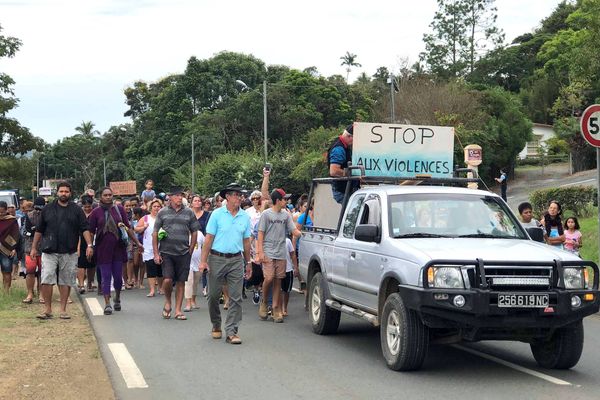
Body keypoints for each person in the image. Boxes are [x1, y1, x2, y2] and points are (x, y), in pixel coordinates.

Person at [30, 181, 94, 320]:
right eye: (61, 191)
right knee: (46, 279)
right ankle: (47, 309)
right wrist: (34, 247)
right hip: (49, 250)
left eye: (66, 191)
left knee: (65, 281)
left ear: (70, 193)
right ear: (57, 192)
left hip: (69, 251)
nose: (63, 194)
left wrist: (89, 245)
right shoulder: (47, 209)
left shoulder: (76, 210)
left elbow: (84, 228)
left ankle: (63, 310)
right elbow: (39, 230)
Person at [200, 183, 252, 344]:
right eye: (236, 194)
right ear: (227, 197)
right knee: (213, 295)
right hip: (216, 258)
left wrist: (248, 262)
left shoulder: (245, 216)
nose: (239, 197)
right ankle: (216, 324)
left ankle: (232, 331)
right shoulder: (216, 214)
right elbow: (208, 239)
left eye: (240, 195)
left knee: (236, 297)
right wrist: (203, 260)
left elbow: (246, 241)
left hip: (236, 259)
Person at [88, 187, 143, 315]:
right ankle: (107, 304)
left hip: (118, 249)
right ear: (100, 196)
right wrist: (90, 246)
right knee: (106, 277)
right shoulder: (96, 213)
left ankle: (117, 297)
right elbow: (91, 231)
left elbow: (128, 228)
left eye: (110, 195)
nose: (108, 197)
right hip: (103, 249)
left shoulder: (119, 210)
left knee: (118, 278)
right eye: (105, 195)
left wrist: (137, 242)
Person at [152, 188, 200, 320]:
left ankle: (178, 310)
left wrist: (191, 248)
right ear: (170, 197)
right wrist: (156, 253)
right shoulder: (162, 212)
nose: (180, 198)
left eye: (181, 196)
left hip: (184, 252)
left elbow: (194, 230)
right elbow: (155, 232)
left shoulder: (189, 212)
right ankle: (168, 301)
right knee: (167, 279)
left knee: (180, 282)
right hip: (166, 252)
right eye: (177, 196)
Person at [256, 188, 302, 323]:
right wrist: (260, 252)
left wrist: (302, 233)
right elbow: (260, 233)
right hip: (268, 250)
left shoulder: (286, 215)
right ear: (278, 200)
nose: (286, 201)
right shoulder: (266, 214)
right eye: (284, 199)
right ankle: (264, 302)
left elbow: (293, 230)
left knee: (278, 280)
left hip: (281, 251)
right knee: (269, 278)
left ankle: (276, 308)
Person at [136, 198, 163, 297]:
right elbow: (136, 229)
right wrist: (144, 227)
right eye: (154, 206)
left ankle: (161, 288)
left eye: (158, 206)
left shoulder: (163, 218)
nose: (156, 208)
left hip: (162, 247)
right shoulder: (146, 218)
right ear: (150, 208)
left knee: (160, 269)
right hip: (148, 247)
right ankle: (152, 290)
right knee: (151, 268)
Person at [22, 197, 45, 303]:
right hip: (30, 248)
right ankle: (30, 293)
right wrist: (36, 232)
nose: (38, 210)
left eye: (40, 208)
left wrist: (35, 230)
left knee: (42, 272)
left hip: (45, 248)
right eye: (37, 208)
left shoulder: (47, 215)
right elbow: (25, 231)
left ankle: (42, 294)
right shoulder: (28, 215)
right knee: (30, 271)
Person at [328, 124, 358, 204]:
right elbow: (333, 171)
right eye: (354, 139)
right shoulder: (339, 149)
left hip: (345, 189)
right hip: (342, 190)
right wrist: (351, 174)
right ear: (349, 136)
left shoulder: (343, 146)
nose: (354, 143)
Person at [76, 195, 96, 294]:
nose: (87, 208)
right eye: (85, 207)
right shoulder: (79, 214)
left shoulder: (95, 213)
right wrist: (78, 247)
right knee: (81, 263)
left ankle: (90, 282)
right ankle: (81, 284)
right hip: (81, 241)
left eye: (89, 206)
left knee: (92, 263)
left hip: (94, 241)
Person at [184, 227, 205, 311]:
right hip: (186, 261)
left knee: (195, 283)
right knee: (188, 282)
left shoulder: (199, 233)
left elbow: (205, 245)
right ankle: (188, 303)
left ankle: (193, 300)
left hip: (198, 262)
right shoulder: (183, 233)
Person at [0, 201, 19, 292]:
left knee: (6, 270)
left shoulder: (11, 220)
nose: (1, 214)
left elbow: (15, 234)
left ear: (6, 210)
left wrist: (13, 248)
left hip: (7, 249)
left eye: (2, 212)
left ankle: (6, 291)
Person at [280, 236, 298, 317]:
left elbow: (293, 255)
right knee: (279, 290)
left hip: (288, 269)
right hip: (278, 270)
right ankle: (279, 309)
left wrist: (296, 268)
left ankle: (285, 308)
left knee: (286, 291)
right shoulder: (273, 241)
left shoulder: (287, 241)